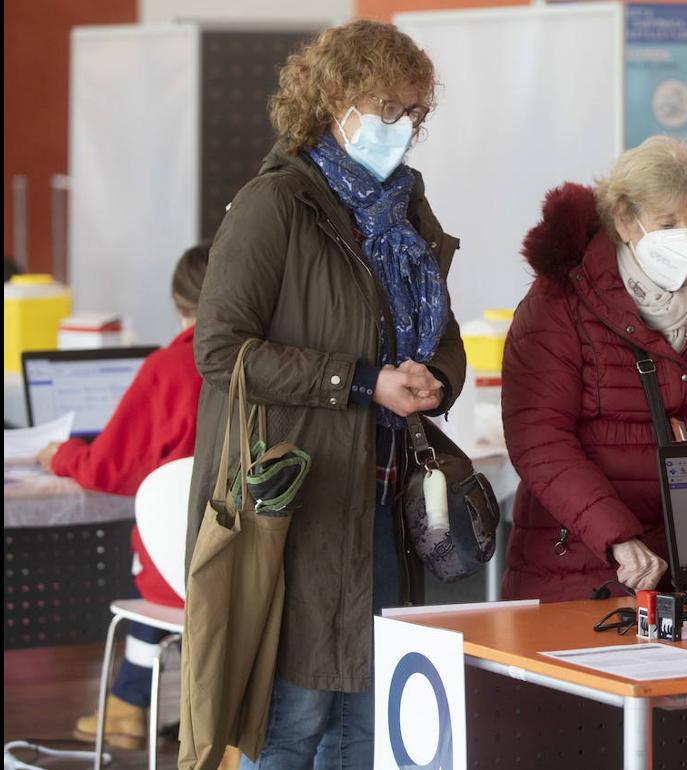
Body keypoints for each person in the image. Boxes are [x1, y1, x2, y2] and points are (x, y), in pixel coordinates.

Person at [186, 20, 465, 768]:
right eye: (386, 109)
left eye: (413, 113)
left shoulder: (406, 208)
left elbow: (439, 332)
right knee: (294, 720)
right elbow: (220, 351)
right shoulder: (274, 203)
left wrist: (438, 380)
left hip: (383, 497)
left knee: (368, 723)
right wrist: (362, 381)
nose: (401, 129)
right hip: (295, 503)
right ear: (333, 100)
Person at [501, 136, 687, 602]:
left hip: (686, 560)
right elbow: (540, 438)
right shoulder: (561, 303)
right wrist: (616, 536)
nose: (684, 240)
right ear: (626, 220)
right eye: (667, 223)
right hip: (581, 561)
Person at [33, 243, 208, 749]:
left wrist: (60, 454)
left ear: (179, 305)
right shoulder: (272, 361)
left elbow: (107, 468)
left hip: (177, 571)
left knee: (152, 568)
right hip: (259, 562)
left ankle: (129, 704)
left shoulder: (167, 368)